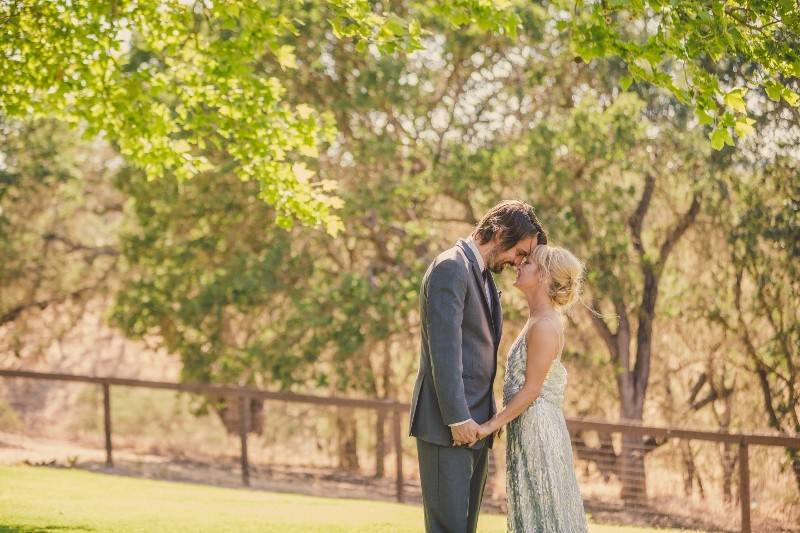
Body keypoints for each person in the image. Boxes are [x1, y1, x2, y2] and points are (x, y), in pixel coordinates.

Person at [408, 200, 547, 533]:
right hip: (448, 427)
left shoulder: (482, 276)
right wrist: (457, 418)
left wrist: (482, 421)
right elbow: (445, 350)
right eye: (521, 251)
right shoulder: (450, 267)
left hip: (476, 427)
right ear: (499, 232)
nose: (520, 261)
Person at [474, 244, 589, 532]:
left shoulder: (545, 325)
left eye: (528, 263)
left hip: (538, 430)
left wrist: (491, 425)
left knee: (545, 512)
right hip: (526, 428)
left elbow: (532, 390)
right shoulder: (537, 320)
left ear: (544, 276)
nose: (519, 264)